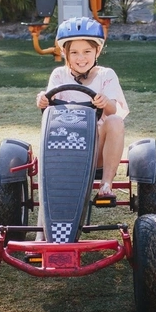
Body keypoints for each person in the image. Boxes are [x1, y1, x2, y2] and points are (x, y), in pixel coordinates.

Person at [36, 17, 129, 199]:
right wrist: (43, 100)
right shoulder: (59, 75)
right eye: (75, 52)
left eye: (87, 51)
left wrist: (105, 102)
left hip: (96, 149)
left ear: (98, 51)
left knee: (115, 121)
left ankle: (106, 184)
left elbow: (113, 110)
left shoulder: (106, 75)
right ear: (65, 53)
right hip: (64, 148)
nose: (81, 58)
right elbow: (49, 101)